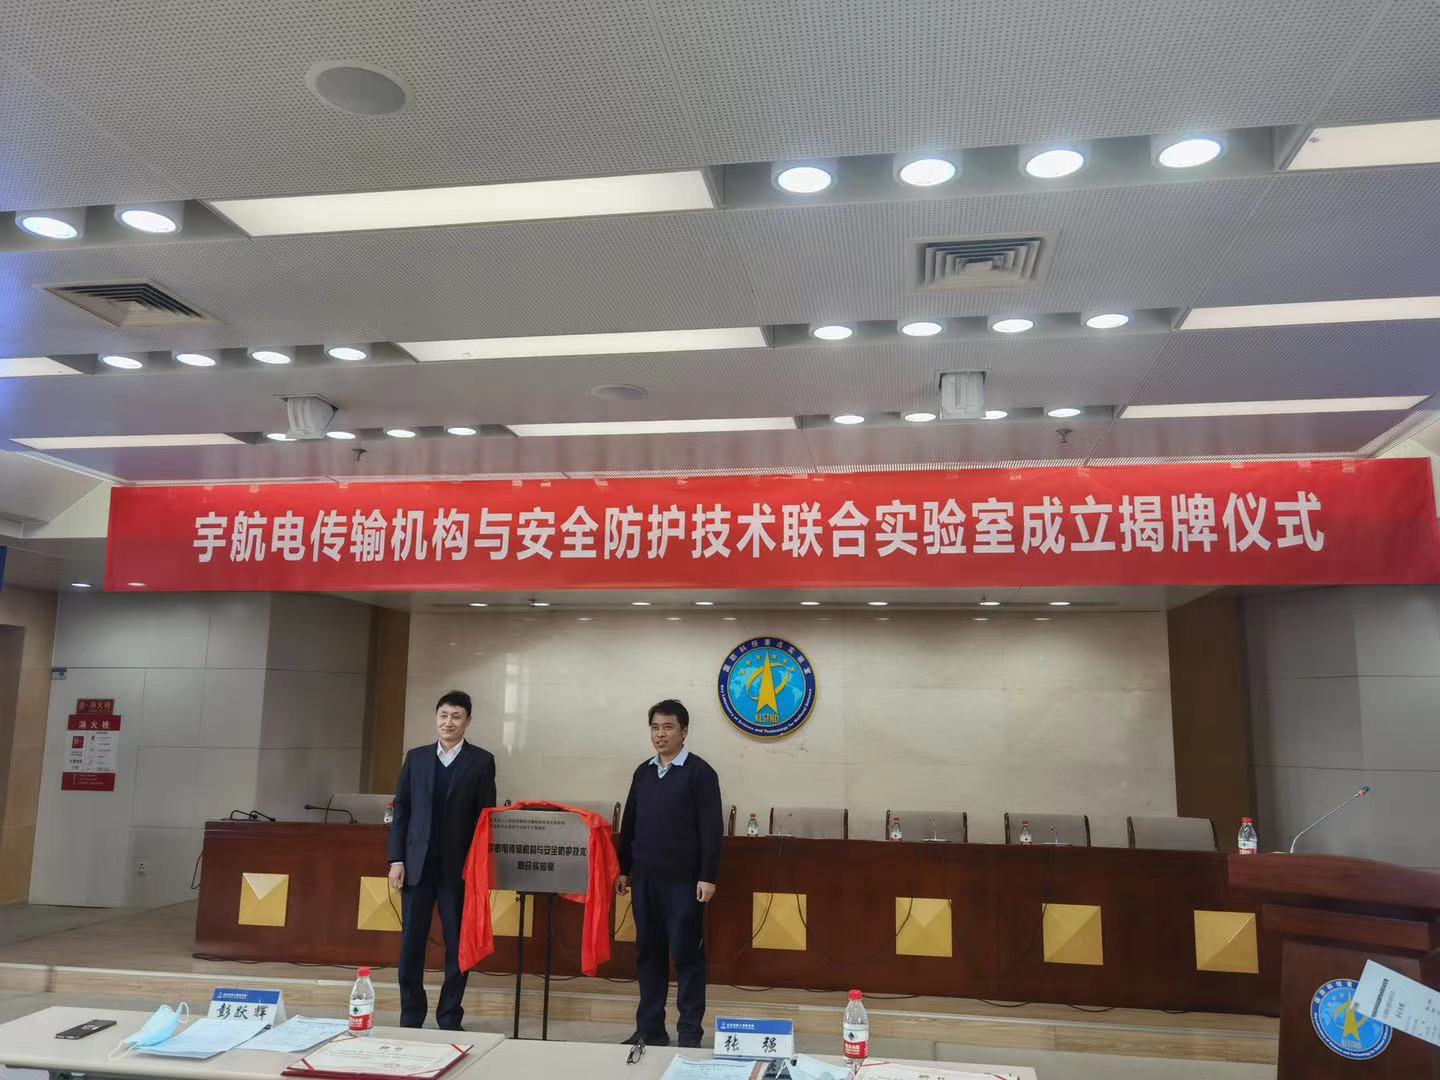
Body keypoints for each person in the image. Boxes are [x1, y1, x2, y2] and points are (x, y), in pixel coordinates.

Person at [616, 699, 724, 1048]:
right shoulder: (643, 772)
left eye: (667, 727)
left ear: (684, 732)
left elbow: (712, 829)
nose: (660, 734)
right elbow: (630, 823)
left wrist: (708, 876)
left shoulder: (700, 773)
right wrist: (623, 868)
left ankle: (689, 1033)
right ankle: (650, 1030)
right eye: (655, 727)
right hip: (645, 880)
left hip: (684, 883)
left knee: (687, 956)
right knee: (648, 954)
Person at [387, 690, 497, 1030]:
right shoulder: (416, 758)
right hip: (416, 867)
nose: (448, 722)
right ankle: (411, 1015)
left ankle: (449, 1016)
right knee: (411, 944)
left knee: (457, 945)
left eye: (456, 716)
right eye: (444, 715)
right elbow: (401, 808)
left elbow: (485, 818)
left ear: (467, 721)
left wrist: (479, 868)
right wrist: (396, 859)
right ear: (436, 718)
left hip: (458, 870)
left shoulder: (481, 761)